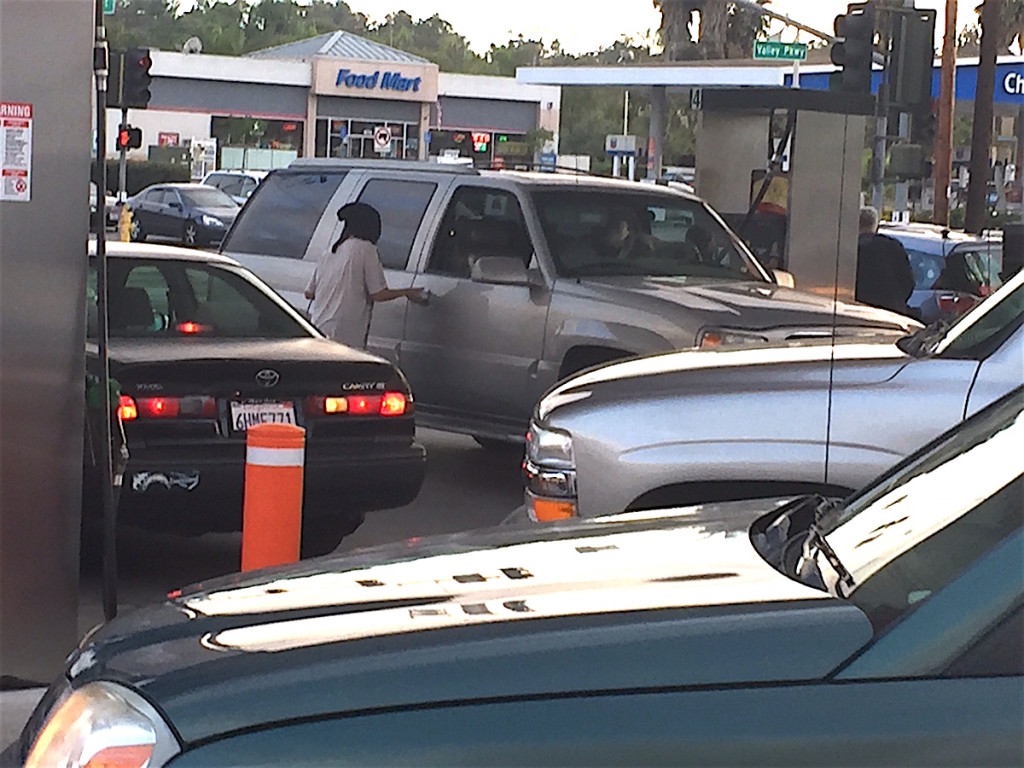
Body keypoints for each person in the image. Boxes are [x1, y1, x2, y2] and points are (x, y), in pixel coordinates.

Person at [304, 202, 427, 349]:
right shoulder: (365, 249)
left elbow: (309, 293)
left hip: (319, 329)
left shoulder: (329, 252)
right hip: (345, 336)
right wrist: (407, 292)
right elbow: (378, 294)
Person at [855, 206, 916, 317]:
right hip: (892, 312)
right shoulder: (893, 246)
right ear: (876, 226)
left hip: (858, 313)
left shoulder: (851, 249)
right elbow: (908, 282)